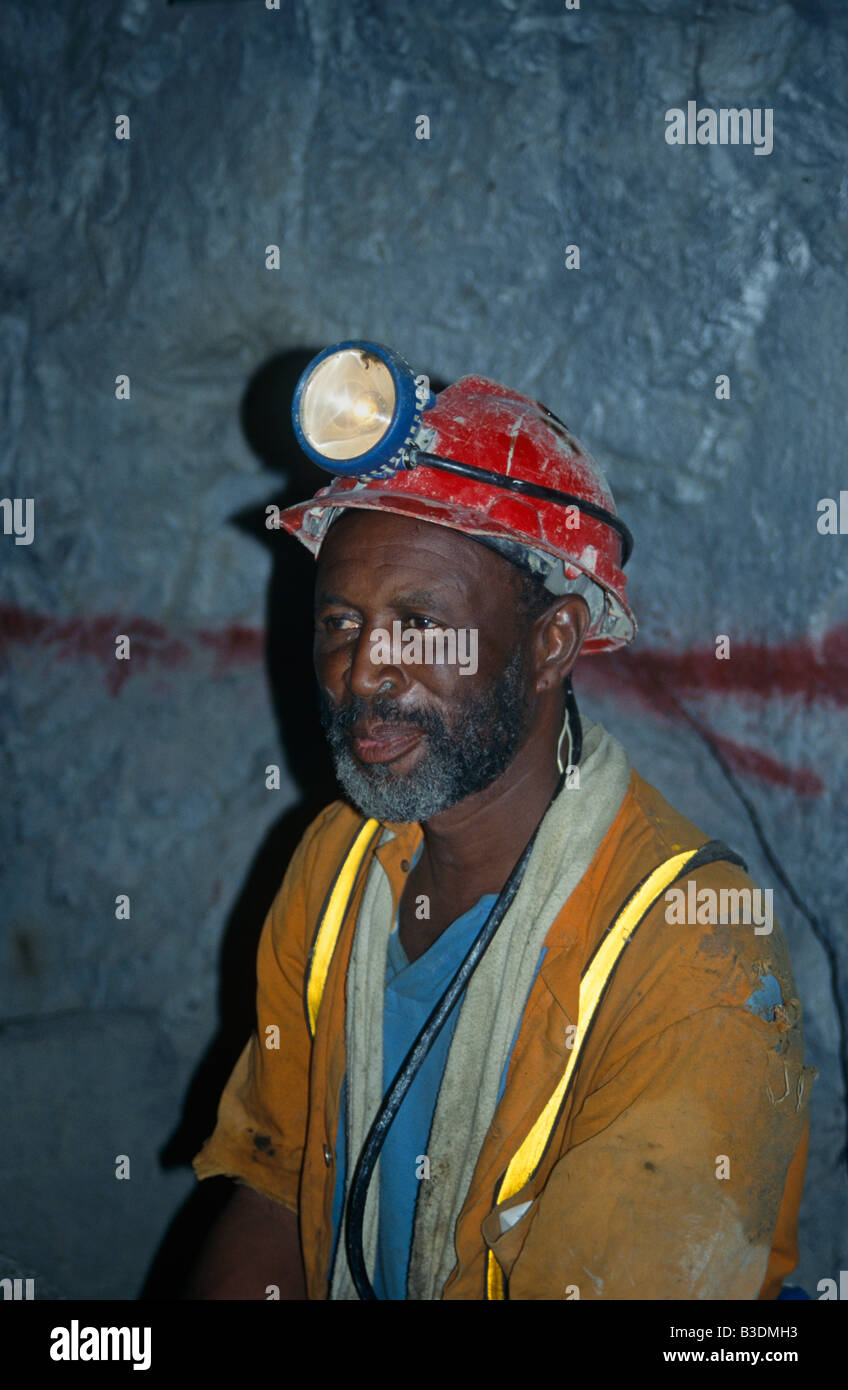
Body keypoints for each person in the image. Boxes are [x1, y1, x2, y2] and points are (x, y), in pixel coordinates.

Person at [187, 344, 813, 1300]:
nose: (364, 672)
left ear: (550, 643)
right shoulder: (337, 866)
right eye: (341, 623)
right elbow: (276, 1182)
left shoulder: (698, 955)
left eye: (421, 623)